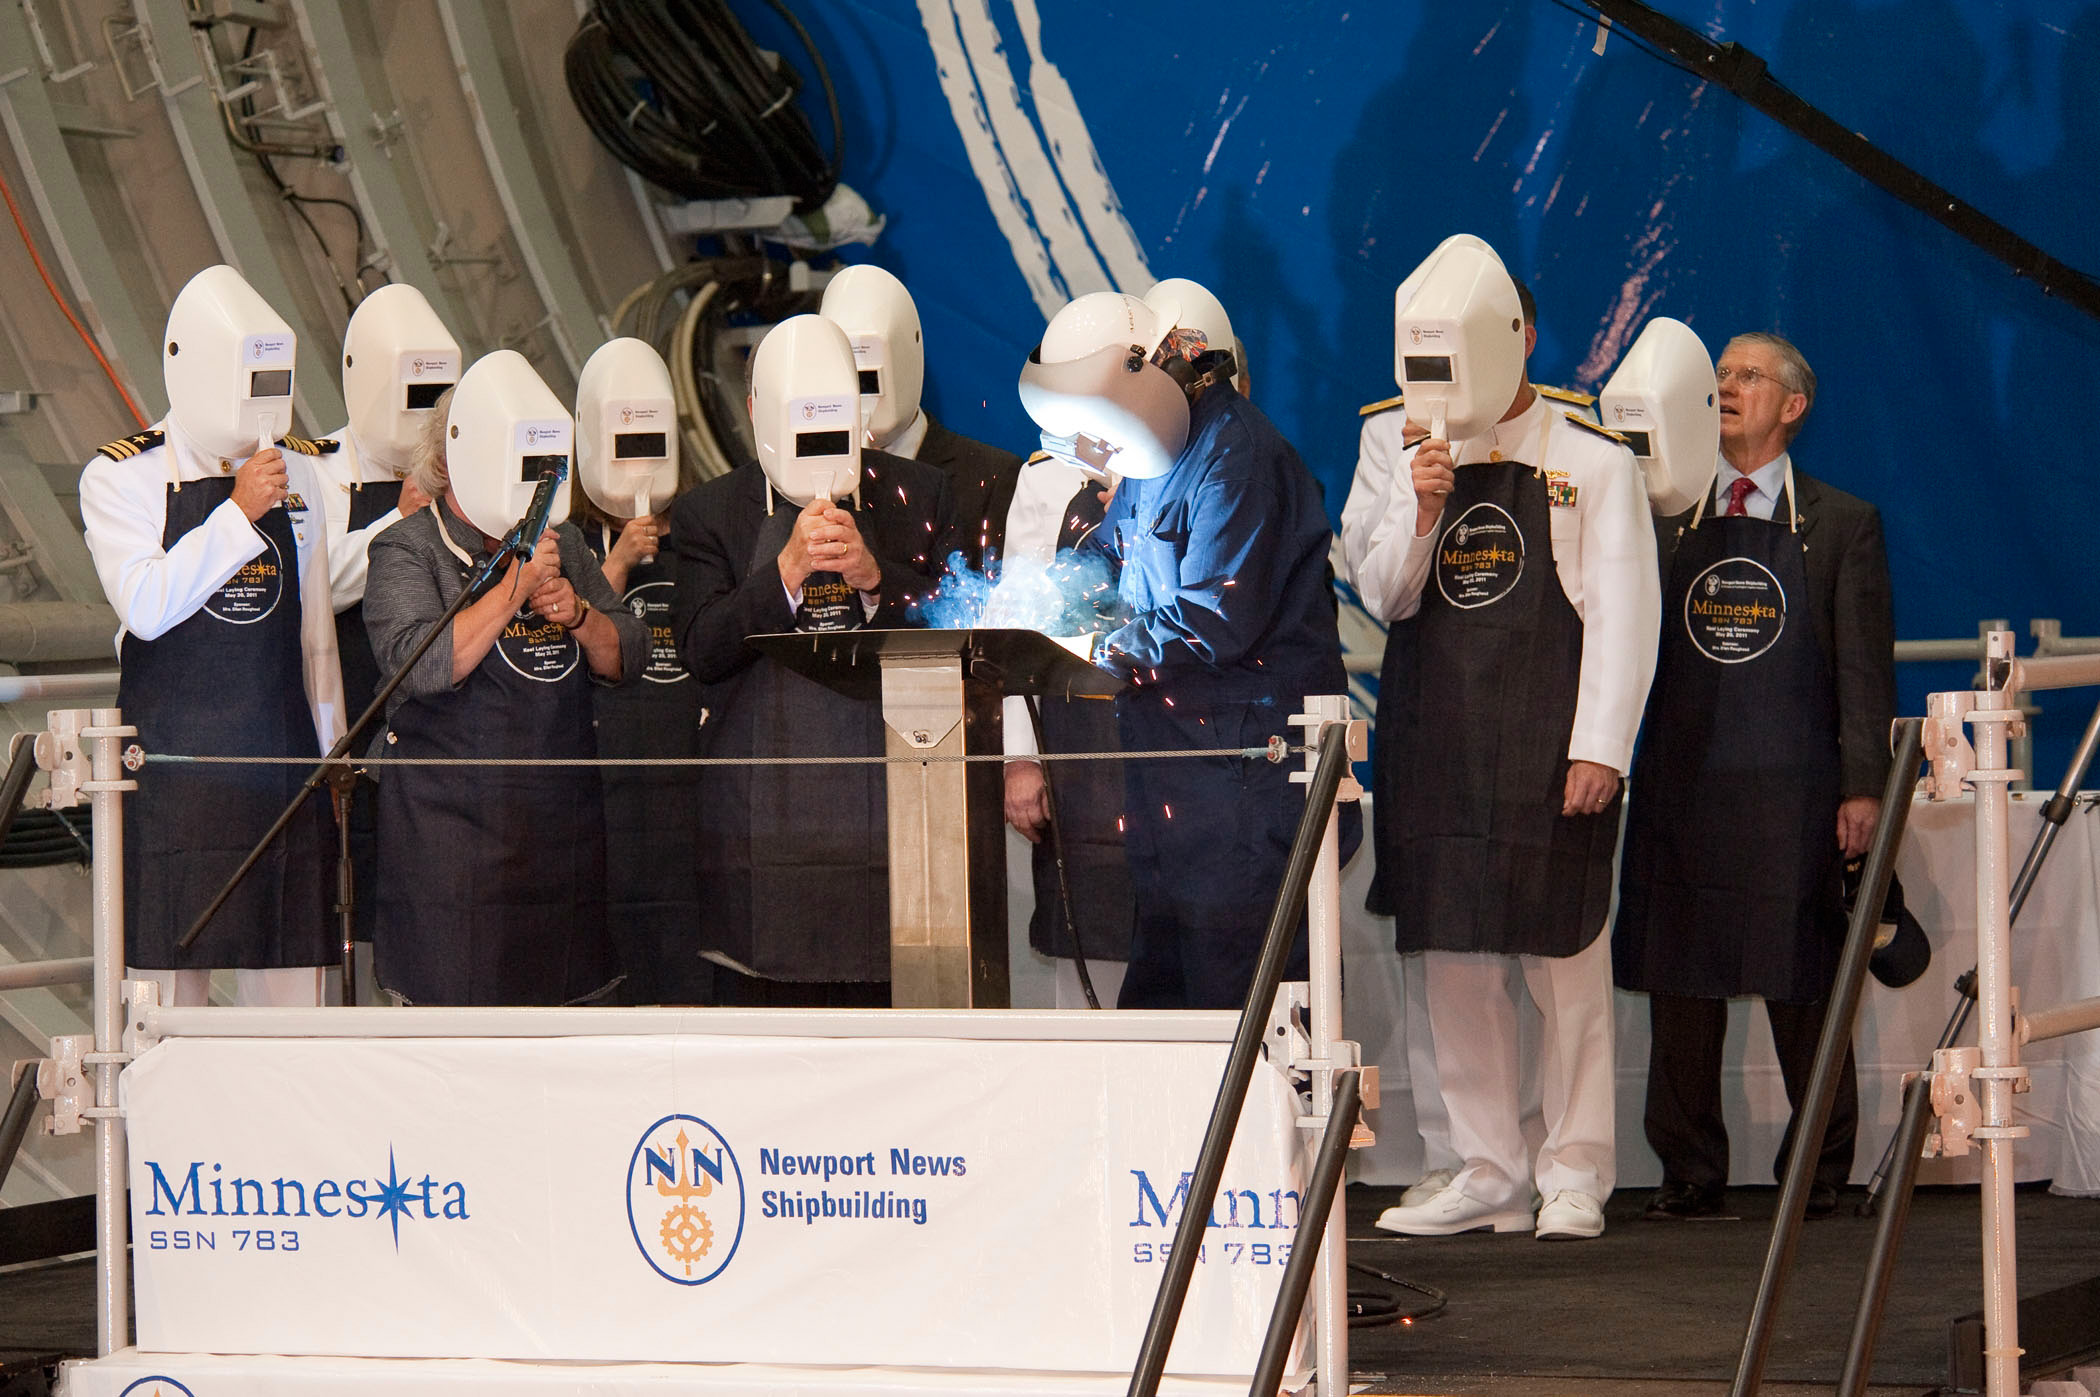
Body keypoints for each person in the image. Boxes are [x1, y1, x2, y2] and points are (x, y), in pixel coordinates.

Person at [1346, 276, 1659, 1241]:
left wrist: (1601, 747)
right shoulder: (1387, 442)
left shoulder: (1588, 458)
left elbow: (1624, 611)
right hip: (1435, 736)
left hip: (1549, 743)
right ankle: (1483, 1165)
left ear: (1520, 337)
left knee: (1562, 959)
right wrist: (1419, 504)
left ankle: (1575, 1170)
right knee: (1452, 958)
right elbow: (1379, 593)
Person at [1615, 331, 1896, 1222]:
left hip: (1798, 794)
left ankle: (1817, 1173)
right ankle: (1688, 1169)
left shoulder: (1844, 524)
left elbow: (1864, 671)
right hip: (1683, 783)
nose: (1727, 387)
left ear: (1793, 405)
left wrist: (1864, 790)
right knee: (1681, 982)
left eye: (1747, 376)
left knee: (1805, 981)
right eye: (1721, 375)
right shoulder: (1658, 515)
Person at [1019, 286, 1356, 1012]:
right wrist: (1043, 600)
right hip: (1178, 795)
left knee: (1242, 1022)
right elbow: (1108, 556)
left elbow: (1211, 616)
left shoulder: (1238, 455)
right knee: (1166, 1016)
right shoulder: (1154, 458)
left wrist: (1093, 646)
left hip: (1245, 798)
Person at [668, 315, 958, 1007]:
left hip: (896, 833)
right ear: (754, 411)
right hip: (764, 844)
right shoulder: (710, 513)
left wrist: (875, 578)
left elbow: (960, 625)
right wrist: (785, 572)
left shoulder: (916, 497)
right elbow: (701, 650)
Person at [79, 264, 344, 1008]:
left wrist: (334, 762)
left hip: (284, 774)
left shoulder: (301, 475)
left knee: (294, 1013)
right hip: (178, 783)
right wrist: (236, 513)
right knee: (168, 1013)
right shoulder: (122, 477)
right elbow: (146, 602)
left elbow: (316, 640)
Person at [363, 351, 645, 1005]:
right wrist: (514, 586)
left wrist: (575, 611)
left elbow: (625, 654)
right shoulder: (408, 548)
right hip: (454, 854)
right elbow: (424, 665)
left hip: (560, 842)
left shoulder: (566, 541)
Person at [316, 284, 459, 944]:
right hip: (346, 736)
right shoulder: (310, 470)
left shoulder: (470, 465)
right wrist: (399, 521)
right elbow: (312, 587)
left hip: (439, 736)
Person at [572, 336, 711, 1005]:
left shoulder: (703, 527)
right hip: (603, 776)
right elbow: (557, 632)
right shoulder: (563, 536)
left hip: (685, 772)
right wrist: (620, 560)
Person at [820, 264, 1021, 570]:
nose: (860, 400)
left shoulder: (991, 476)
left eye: (867, 380)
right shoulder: (802, 480)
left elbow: (993, 604)